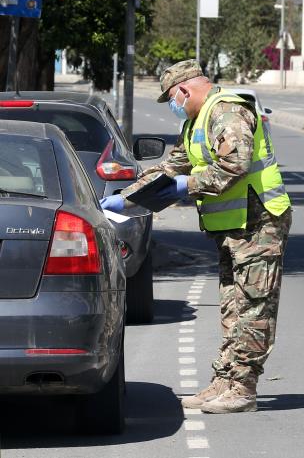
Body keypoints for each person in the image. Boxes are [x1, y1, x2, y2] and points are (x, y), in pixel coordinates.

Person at [101, 60, 292, 414]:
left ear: (185, 90)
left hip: (259, 221)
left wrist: (185, 186)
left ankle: (243, 389)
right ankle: (225, 380)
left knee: (254, 306)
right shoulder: (196, 122)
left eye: (172, 99)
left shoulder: (228, 112)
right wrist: (125, 198)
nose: (173, 107)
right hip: (232, 227)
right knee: (233, 308)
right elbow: (168, 168)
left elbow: (234, 165)